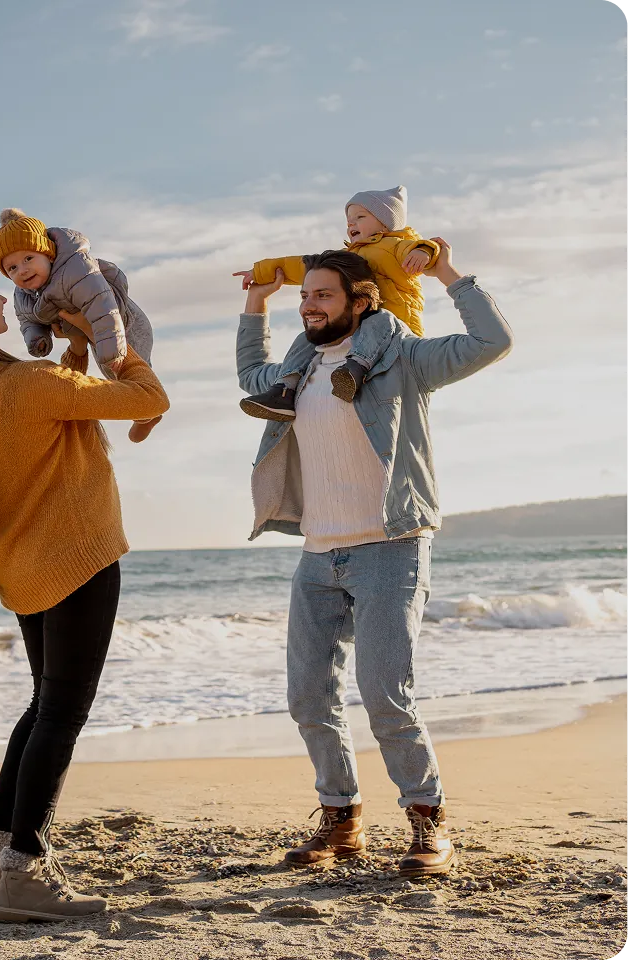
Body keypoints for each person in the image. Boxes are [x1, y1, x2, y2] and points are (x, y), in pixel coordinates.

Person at [0, 258, 169, 921]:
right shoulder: (27, 381)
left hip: (22, 569)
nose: (1, 294)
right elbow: (147, 399)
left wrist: (74, 343)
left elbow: (58, 404)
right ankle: (24, 871)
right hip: (77, 558)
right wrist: (116, 344)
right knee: (62, 714)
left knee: (43, 705)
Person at [235, 241, 512, 877]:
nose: (309, 304)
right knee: (309, 696)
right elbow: (251, 374)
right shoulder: (298, 371)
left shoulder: (405, 358)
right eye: (305, 294)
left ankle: (429, 822)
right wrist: (255, 304)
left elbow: (491, 341)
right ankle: (341, 819)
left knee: (385, 695)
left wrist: (447, 273)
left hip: (390, 546)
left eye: (322, 294)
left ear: (363, 301)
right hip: (317, 552)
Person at [234, 185, 439, 420]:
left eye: (360, 217)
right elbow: (300, 265)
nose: (351, 224)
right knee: (307, 338)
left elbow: (426, 247)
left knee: (379, 319)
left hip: (396, 335)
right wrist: (261, 273)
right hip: (360, 333)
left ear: (386, 224)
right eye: (349, 220)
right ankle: (285, 388)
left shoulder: (395, 247)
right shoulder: (349, 258)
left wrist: (424, 251)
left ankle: (354, 371)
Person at [0, 207, 161, 443]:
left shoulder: (76, 269)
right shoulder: (24, 293)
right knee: (117, 375)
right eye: (12, 268)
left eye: (28, 258)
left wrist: (108, 347)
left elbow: (102, 306)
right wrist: (37, 339)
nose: (23, 270)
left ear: (48, 254)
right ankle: (146, 415)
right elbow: (27, 319)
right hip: (92, 334)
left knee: (125, 374)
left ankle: (147, 416)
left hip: (123, 324)